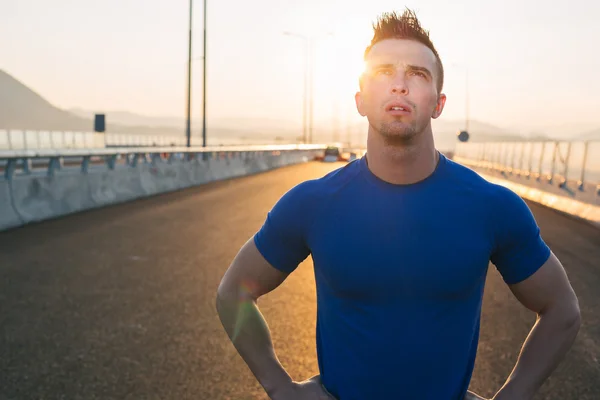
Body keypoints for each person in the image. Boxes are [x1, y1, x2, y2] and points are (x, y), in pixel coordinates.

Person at [216, 9, 581, 400]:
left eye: (418, 75)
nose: (400, 86)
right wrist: (280, 388)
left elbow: (562, 309)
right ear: (361, 99)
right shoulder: (312, 203)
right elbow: (233, 292)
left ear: (438, 104)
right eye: (384, 72)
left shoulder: (492, 206)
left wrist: (513, 395)